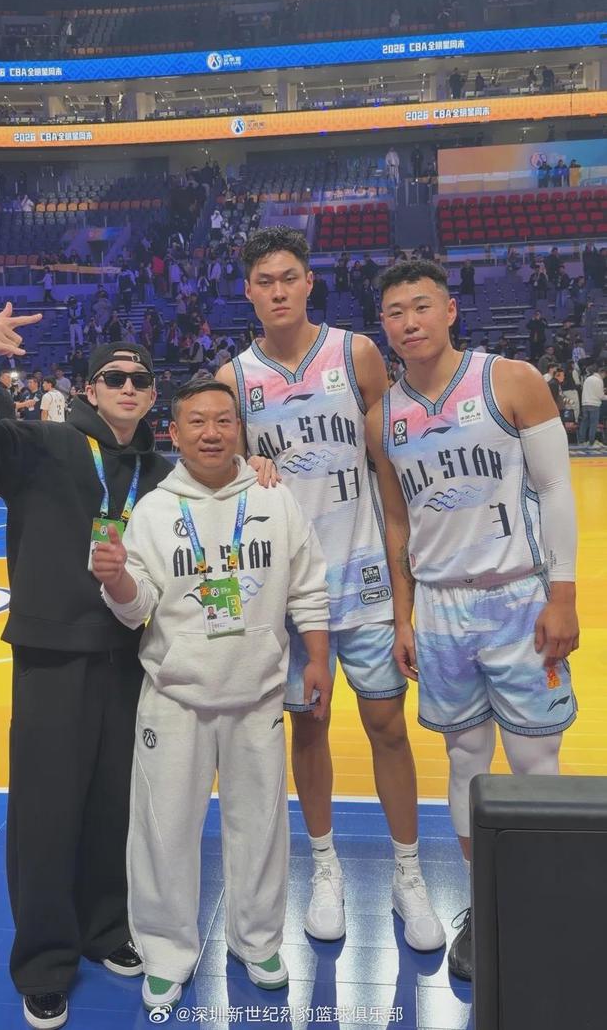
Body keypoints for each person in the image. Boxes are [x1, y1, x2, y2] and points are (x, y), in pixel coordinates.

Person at [217, 226, 444, 952]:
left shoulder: (356, 354)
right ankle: (325, 868)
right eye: (264, 281)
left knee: (387, 727)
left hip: (367, 577)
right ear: (248, 292)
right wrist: (244, 469)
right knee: (308, 729)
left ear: (309, 281)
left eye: (289, 276)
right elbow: (223, 476)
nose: (278, 290)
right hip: (289, 594)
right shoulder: (235, 378)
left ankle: (409, 873)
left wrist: (407, 597)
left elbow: (392, 470)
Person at [0, 309, 173, 1029]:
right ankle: (45, 961)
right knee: (46, 815)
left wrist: (257, 465)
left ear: (151, 395)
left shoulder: (161, 473)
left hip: (130, 657)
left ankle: (106, 929)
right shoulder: (42, 444)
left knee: (114, 806)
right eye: (114, 377)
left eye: (140, 379)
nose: (128, 387)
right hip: (53, 656)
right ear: (90, 388)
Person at [92, 379, 332, 1014]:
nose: (211, 432)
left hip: (257, 693)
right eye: (197, 421)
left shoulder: (275, 498)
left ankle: (258, 941)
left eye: (224, 420)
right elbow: (136, 608)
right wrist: (116, 581)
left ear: (240, 431)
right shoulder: (153, 511)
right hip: (175, 696)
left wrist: (317, 657)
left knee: (260, 828)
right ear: (174, 432)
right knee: (163, 831)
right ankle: (166, 953)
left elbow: (308, 585)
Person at [369, 259, 579, 982]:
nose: (410, 322)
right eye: (395, 312)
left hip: (519, 597)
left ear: (450, 309)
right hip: (439, 607)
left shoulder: (511, 380)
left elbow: (557, 488)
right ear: (384, 325)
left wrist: (563, 594)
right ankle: (485, 901)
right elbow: (397, 523)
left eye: (421, 305)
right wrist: (403, 616)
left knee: (534, 761)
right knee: (464, 759)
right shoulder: (381, 418)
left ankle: (542, 901)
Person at [578, 365, 606, 446]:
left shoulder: (588, 379)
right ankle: (591, 442)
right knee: (593, 424)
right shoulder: (599, 380)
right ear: (603, 373)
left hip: (585, 404)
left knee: (584, 423)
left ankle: (581, 441)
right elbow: (600, 396)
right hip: (594, 404)